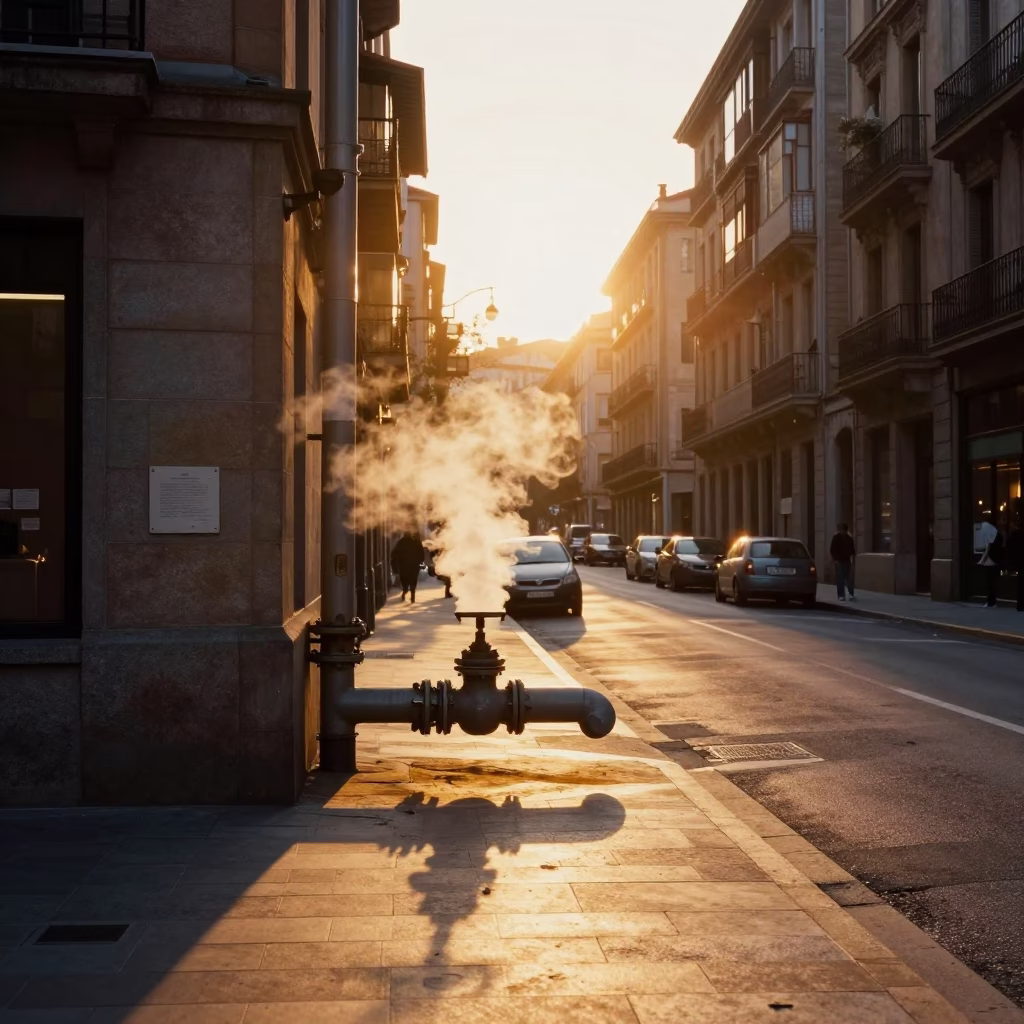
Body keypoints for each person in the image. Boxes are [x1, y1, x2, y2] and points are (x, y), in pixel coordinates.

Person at [977, 514, 1003, 608]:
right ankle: (990, 600)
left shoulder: (991, 533)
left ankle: (991, 601)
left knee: (989, 581)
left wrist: (982, 559)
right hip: (995, 558)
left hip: (990, 559)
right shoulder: (997, 533)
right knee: (991, 581)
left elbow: (988, 547)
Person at [391, 530, 425, 603]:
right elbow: (421, 553)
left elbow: (394, 554)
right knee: (413, 580)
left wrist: (395, 563)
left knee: (405, 581)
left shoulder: (401, 542)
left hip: (404, 566)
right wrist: (420, 560)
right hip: (413, 565)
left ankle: (406, 592)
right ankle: (411, 594)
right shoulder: (415, 541)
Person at [830, 522, 856, 602]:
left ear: (845, 530)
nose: (840, 531)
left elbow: (852, 550)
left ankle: (851, 593)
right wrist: (835, 559)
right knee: (840, 578)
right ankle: (841, 595)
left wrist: (852, 559)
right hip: (839, 561)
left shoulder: (849, 538)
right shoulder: (836, 537)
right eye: (840, 529)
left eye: (841, 529)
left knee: (848, 578)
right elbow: (832, 549)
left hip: (847, 560)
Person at [1008, 508, 1024, 613]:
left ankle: (1020, 605)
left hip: (1019, 561)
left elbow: (1010, 547)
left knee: (1021, 583)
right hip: (1020, 561)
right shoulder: (1017, 534)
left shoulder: (1015, 534)